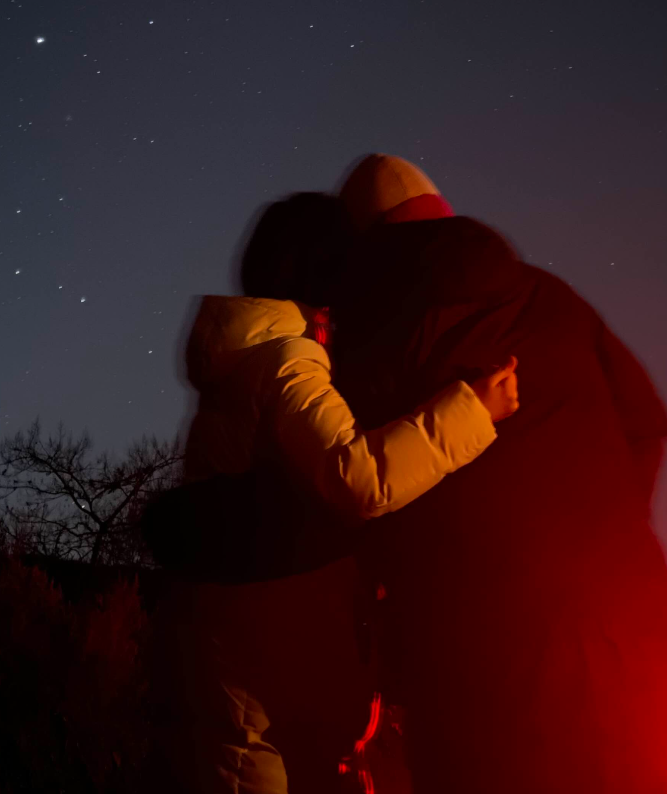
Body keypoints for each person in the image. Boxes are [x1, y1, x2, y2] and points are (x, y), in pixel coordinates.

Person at [333, 153, 667, 794]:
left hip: (479, 665)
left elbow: (369, 497)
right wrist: (611, 532)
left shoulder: (377, 336)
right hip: (626, 632)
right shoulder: (552, 295)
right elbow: (647, 422)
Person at [165, 191, 518, 794]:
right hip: (272, 638)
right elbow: (360, 477)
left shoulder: (242, 360)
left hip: (234, 629)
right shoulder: (287, 360)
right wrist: (472, 411)